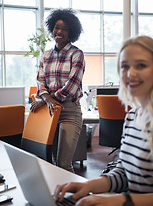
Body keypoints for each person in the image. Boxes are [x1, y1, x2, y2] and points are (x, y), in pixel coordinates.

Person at [54, 35, 153, 206]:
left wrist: (120, 200)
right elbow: (123, 173)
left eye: (141, 65)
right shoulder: (132, 117)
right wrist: (86, 185)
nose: (131, 73)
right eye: (124, 67)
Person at [30, 8, 85, 173]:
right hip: (49, 111)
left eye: (65, 29)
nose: (59, 31)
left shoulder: (76, 54)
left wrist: (48, 98)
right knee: (51, 163)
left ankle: (74, 199)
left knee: (63, 164)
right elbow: (41, 81)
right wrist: (46, 100)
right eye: (57, 27)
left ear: (71, 32)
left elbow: (72, 85)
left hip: (69, 112)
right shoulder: (46, 55)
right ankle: (56, 198)